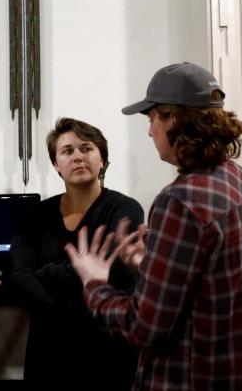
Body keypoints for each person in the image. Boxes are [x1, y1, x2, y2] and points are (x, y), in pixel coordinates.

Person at [65, 62, 242, 389]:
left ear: (173, 119)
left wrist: (95, 283)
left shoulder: (180, 203)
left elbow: (143, 325)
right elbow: (216, 289)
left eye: (152, 118)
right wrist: (154, 263)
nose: (149, 130)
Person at [8, 117, 144, 389]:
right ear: (56, 164)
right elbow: (16, 278)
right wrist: (76, 278)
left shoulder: (125, 209)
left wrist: (44, 273)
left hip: (106, 349)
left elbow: (114, 270)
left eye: (87, 148)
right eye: (67, 151)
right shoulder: (36, 215)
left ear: (102, 159)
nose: (78, 157)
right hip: (48, 351)